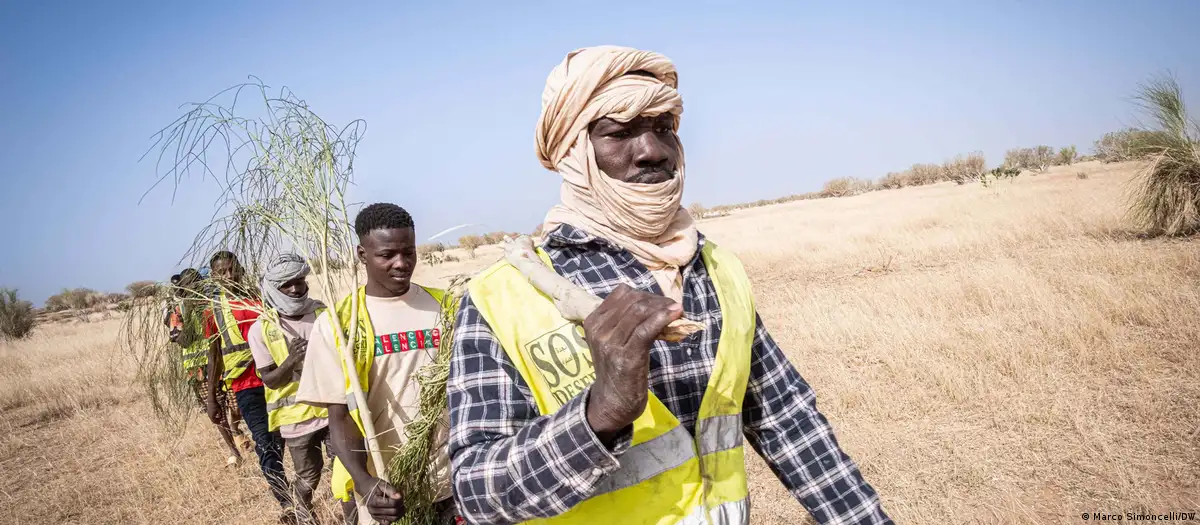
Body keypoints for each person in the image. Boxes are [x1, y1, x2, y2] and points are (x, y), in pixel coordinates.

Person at [447, 46, 893, 525]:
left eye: (663, 128)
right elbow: (476, 492)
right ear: (574, 154)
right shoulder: (503, 296)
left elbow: (787, 420)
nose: (653, 150)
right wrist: (600, 415)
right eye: (619, 132)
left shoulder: (717, 268)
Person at [296, 203, 460, 525]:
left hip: (456, 479)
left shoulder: (447, 306)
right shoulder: (340, 324)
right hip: (389, 490)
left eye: (409, 252)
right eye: (388, 255)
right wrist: (365, 482)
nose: (402, 264)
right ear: (362, 254)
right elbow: (339, 415)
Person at [248, 253, 357, 525]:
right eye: (287, 284)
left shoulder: (324, 313)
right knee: (308, 477)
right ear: (274, 287)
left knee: (347, 470)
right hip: (296, 420)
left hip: (335, 410)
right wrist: (292, 360)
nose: (296, 288)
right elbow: (270, 380)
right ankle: (304, 518)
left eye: (300, 281)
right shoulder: (262, 329)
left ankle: (353, 520)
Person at [203, 250, 295, 523]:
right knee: (266, 445)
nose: (229, 275)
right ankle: (287, 505)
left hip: (278, 379)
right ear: (214, 276)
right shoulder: (213, 310)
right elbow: (214, 354)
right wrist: (212, 397)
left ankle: (300, 491)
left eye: (233, 269)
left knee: (290, 440)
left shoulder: (260, 297)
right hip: (245, 387)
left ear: (241, 269)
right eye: (222, 272)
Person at [171, 268, 246, 467]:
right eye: (189, 286)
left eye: (197, 283)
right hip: (197, 367)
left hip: (222, 361)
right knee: (216, 410)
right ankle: (233, 451)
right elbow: (184, 339)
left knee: (237, 404)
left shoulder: (213, 305)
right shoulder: (179, 310)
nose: (194, 288)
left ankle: (236, 428)